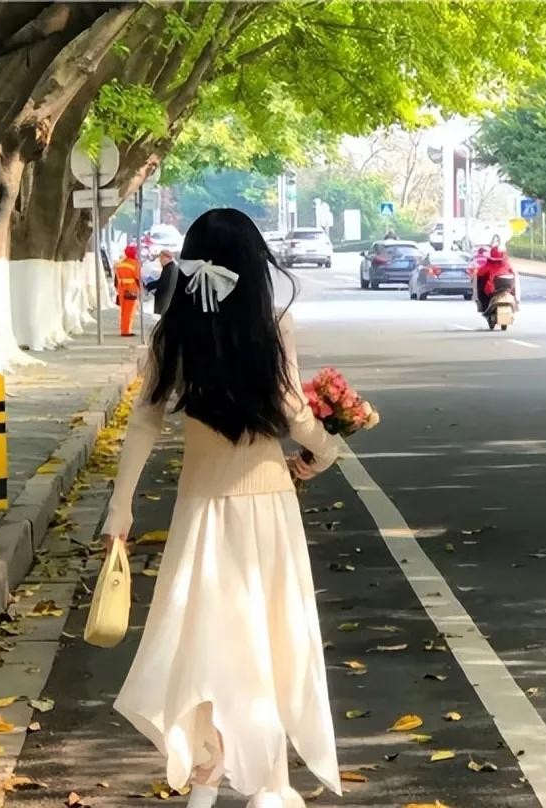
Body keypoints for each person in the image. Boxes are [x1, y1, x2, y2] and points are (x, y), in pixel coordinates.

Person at [101, 209, 341, 808]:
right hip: (267, 507)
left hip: (200, 510)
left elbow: (144, 421)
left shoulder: (173, 332)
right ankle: (268, 787)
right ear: (253, 266)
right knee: (270, 641)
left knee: (207, 643)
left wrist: (121, 507)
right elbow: (291, 411)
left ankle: (211, 778)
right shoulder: (271, 325)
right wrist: (326, 448)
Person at [475, 245, 516, 312]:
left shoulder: (489, 264)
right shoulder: (507, 264)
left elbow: (480, 273)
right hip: (509, 288)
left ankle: (484, 307)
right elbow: (514, 273)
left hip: (493, 289)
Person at [114, 245, 141, 336]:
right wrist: (141, 289)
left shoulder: (121, 263)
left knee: (123, 311)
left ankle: (123, 330)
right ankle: (126, 331)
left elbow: (116, 278)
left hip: (121, 289)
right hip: (131, 290)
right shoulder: (134, 263)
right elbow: (138, 278)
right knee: (129, 312)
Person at [146, 249, 179, 316]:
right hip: (167, 298)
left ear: (166, 258)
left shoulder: (169, 268)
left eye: (161, 258)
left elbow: (161, 283)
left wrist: (149, 286)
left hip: (164, 299)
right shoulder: (172, 267)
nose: (160, 261)